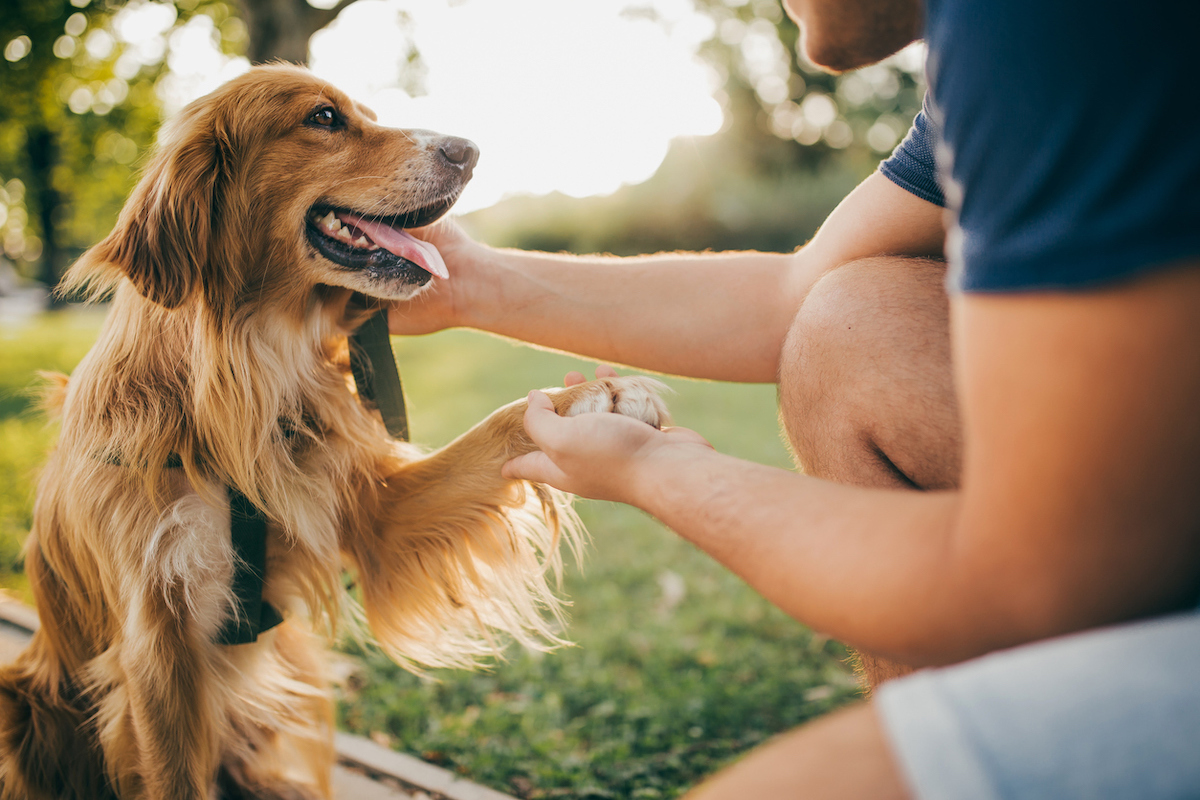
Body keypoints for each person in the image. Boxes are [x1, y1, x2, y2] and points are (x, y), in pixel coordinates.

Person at [390, 0, 1200, 796]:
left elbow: (1034, 571)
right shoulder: (996, 46)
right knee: (854, 321)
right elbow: (793, 294)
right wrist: (470, 283)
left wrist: (659, 472)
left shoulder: (1047, 22)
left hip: (1091, 578)